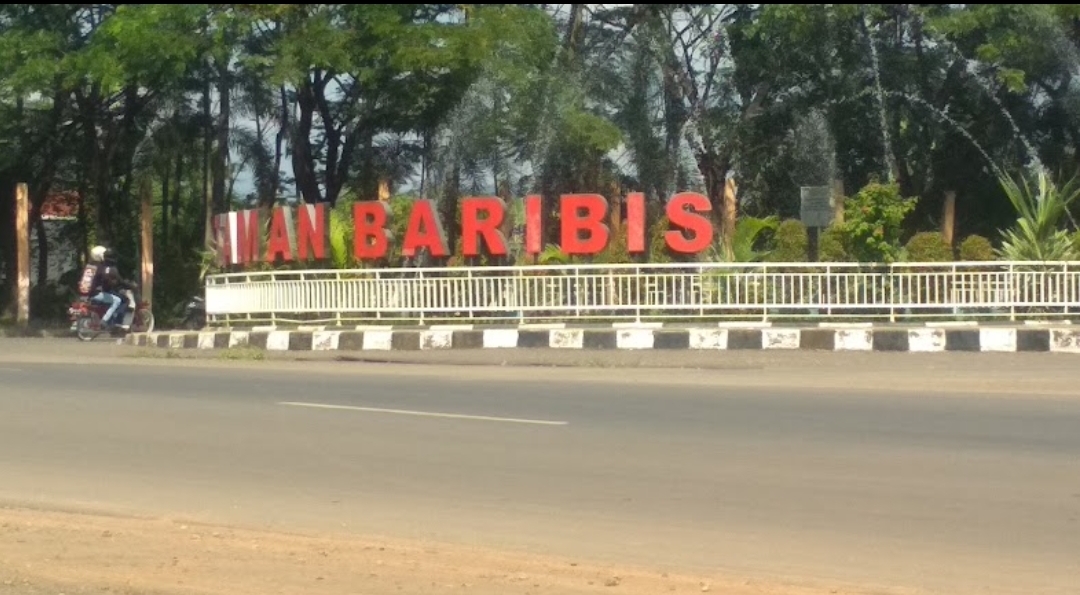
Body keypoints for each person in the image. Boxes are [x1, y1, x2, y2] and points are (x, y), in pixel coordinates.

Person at [80, 245, 135, 330]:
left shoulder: (89, 266)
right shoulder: (100, 267)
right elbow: (107, 278)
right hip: (95, 293)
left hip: (84, 293)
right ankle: (104, 321)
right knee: (117, 300)